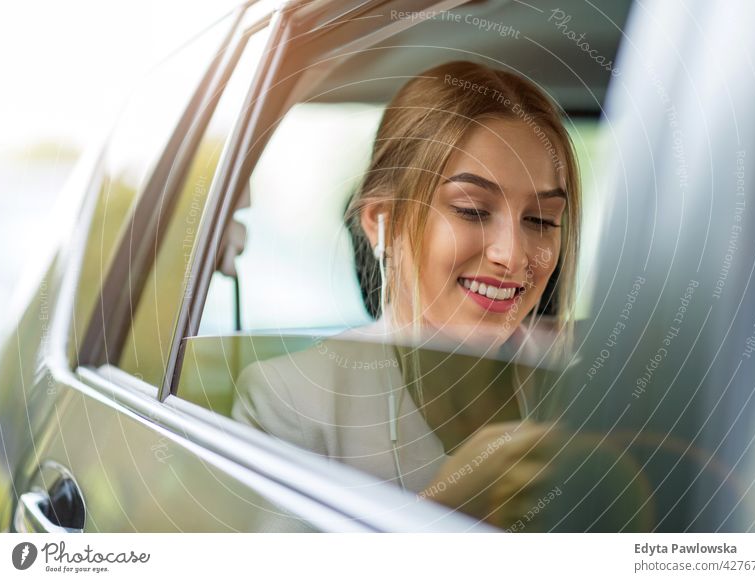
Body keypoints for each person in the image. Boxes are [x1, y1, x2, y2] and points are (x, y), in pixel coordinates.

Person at [232, 60, 583, 529]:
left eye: (541, 221)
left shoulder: (592, 386)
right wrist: (443, 511)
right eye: (473, 210)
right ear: (382, 221)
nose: (513, 255)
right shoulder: (290, 401)